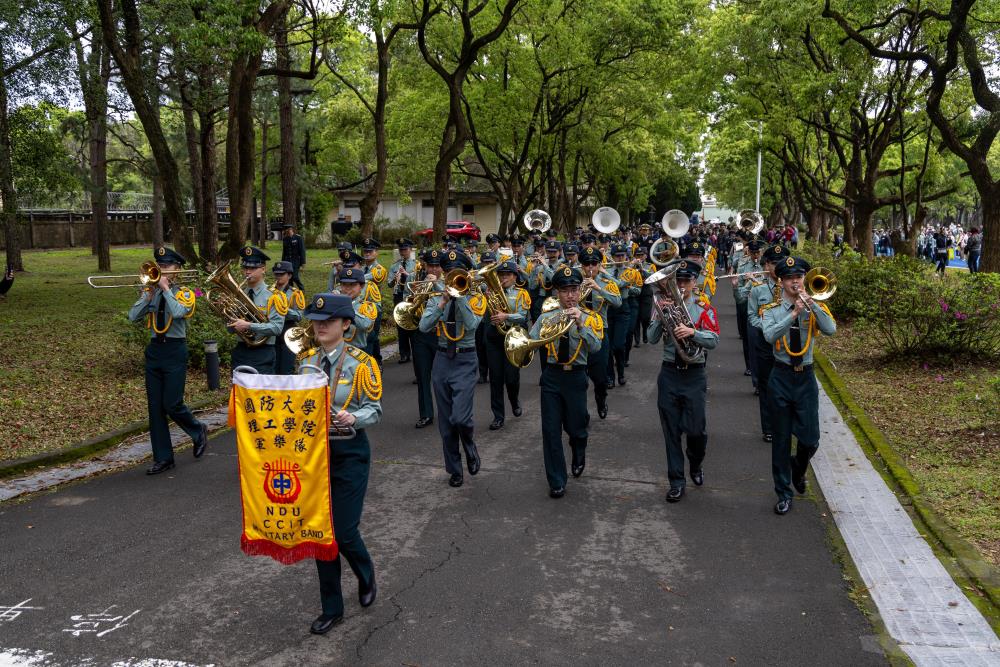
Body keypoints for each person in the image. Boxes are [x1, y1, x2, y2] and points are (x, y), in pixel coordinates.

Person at [297, 292, 382, 635]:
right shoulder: (305, 362)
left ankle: (365, 572)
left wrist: (353, 416)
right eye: (316, 322)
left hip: (350, 453)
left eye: (328, 322)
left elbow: (375, 410)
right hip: (315, 456)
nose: (320, 327)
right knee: (320, 532)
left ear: (346, 325)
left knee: (344, 531)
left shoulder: (362, 363)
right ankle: (332, 608)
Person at [761, 256, 836, 515]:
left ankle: (798, 467)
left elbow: (831, 330)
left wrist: (812, 306)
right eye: (791, 278)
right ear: (781, 281)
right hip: (780, 376)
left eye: (799, 277)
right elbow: (769, 335)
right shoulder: (771, 310)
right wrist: (793, 313)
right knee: (780, 440)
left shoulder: (815, 303)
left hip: (805, 376)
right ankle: (783, 493)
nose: (796, 281)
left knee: (811, 438)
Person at [127, 247, 208, 475]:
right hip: (155, 351)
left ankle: (197, 429)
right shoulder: (150, 291)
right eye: (159, 265)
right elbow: (132, 317)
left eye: (167, 266)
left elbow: (180, 312)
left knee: (172, 403)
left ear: (177, 270)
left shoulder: (185, 293)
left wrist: (166, 290)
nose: (161, 270)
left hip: (175, 350)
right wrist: (149, 296)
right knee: (155, 408)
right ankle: (163, 458)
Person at [647, 260, 719, 502]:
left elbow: (714, 340)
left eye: (686, 281)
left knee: (696, 431)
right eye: (677, 281)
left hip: (694, 374)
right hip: (669, 373)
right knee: (671, 431)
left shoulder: (703, 308)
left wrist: (693, 333)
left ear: (694, 282)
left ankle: (696, 462)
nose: (681, 285)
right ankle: (676, 481)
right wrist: (659, 314)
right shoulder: (661, 305)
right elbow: (650, 338)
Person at [530, 266, 603, 498]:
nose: (570, 295)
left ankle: (579, 448)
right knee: (550, 431)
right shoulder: (545, 317)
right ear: (557, 294)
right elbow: (531, 344)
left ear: (580, 291)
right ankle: (557, 480)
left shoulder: (591, 317)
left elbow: (596, 347)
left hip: (576, 376)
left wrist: (581, 323)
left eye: (574, 290)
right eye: (565, 291)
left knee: (576, 428)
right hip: (552, 377)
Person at [419, 249, 487, 487]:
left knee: (461, 417)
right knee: (446, 422)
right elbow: (424, 326)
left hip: (465, 359)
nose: (449, 277)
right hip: (441, 359)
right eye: (447, 272)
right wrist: (441, 303)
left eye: (454, 272)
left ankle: (469, 445)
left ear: (466, 273)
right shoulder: (436, 294)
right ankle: (455, 469)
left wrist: (460, 299)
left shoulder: (477, 297)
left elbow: (471, 325)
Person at [746, 244, 786, 442]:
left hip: (788, 344)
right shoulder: (758, 289)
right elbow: (752, 316)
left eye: (781, 263)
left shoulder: (793, 287)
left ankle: (785, 425)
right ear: (767, 265)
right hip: (765, 342)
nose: (777, 267)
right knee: (766, 385)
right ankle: (768, 427)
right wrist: (765, 326)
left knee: (785, 387)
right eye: (773, 263)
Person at [484, 259, 529, 430]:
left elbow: (523, 316)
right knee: (495, 379)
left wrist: (506, 317)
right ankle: (498, 416)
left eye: (507, 275)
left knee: (511, 377)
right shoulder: (491, 292)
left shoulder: (521, 294)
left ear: (515, 277)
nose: (503, 278)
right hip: (495, 337)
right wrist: (488, 300)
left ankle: (514, 399)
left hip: (514, 337)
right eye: (501, 275)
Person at [229, 246, 287, 374]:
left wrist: (248, 325)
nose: (247, 272)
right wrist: (231, 322)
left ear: (263, 269)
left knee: (261, 393)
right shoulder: (238, 294)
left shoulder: (274, 296)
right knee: (239, 393)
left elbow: (277, 328)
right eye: (245, 267)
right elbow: (229, 328)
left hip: (263, 352)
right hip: (240, 350)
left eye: (253, 268)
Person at [579, 246, 621, 419]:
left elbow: (618, 302)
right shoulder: (575, 281)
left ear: (599, 264)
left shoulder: (607, 282)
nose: (590, 267)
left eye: (594, 264)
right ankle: (581, 414)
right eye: (587, 264)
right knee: (579, 377)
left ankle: (601, 400)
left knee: (600, 377)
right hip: (579, 331)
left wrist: (598, 288)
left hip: (599, 332)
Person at [412, 249, 442, 428]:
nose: (433, 269)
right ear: (424, 265)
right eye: (430, 265)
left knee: (442, 377)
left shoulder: (449, 281)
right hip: (421, 333)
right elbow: (407, 302)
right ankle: (426, 413)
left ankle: (447, 410)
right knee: (423, 376)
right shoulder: (416, 280)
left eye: (437, 266)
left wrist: (436, 284)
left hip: (441, 334)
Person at [273, 261, 306, 375]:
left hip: (289, 330)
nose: (278, 277)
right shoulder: (268, 291)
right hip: (272, 331)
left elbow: (299, 316)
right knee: (273, 367)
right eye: (276, 274)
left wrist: (283, 310)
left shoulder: (295, 294)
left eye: (282, 274)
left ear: (290, 275)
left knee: (286, 369)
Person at [388, 238, 417, 363]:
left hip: (411, 296)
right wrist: (395, 278)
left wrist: (406, 274)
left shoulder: (416, 265)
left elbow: (418, 281)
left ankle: (416, 351)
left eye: (405, 249)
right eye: (401, 250)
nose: (403, 252)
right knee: (401, 325)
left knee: (413, 324)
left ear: (410, 250)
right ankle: (404, 354)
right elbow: (389, 284)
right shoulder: (395, 266)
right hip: (399, 296)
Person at [360, 238, 387, 365]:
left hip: (373, 307)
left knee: (373, 336)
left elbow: (367, 278)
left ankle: (376, 361)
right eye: (365, 251)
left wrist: (354, 274)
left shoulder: (379, 269)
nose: (367, 253)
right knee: (368, 337)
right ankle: (374, 360)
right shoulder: (360, 268)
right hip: (360, 307)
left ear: (376, 252)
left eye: (370, 251)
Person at [281, 223, 307, 290]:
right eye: (286, 231)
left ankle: (301, 289)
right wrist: (282, 262)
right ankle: (291, 290)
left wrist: (303, 263)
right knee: (289, 277)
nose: (287, 232)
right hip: (287, 261)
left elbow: (302, 251)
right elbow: (284, 251)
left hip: (296, 261)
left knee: (295, 276)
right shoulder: (285, 239)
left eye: (289, 230)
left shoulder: (298, 238)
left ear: (291, 229)